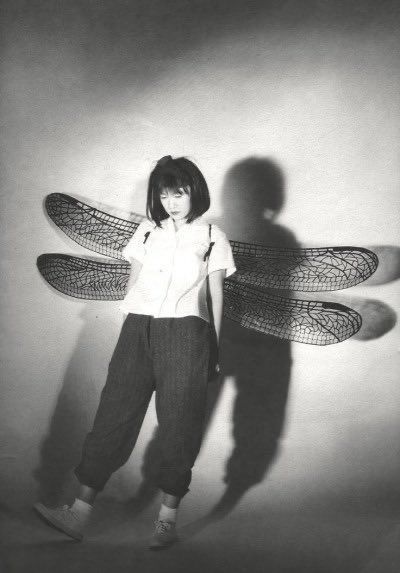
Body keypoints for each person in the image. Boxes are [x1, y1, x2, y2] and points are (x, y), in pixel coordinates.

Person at [34, 155, 236, 549]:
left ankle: (166, 521)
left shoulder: (212, 235)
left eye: (178, 193)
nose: (171, 202)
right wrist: (132, 327)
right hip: (136, 331)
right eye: (163, 195)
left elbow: (216, 295)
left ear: (195, 191)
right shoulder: (146, 232)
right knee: (113, 415)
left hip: (187, 333)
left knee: (179, 425)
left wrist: (214, 346)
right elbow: (133, 284)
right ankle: (78, 512)